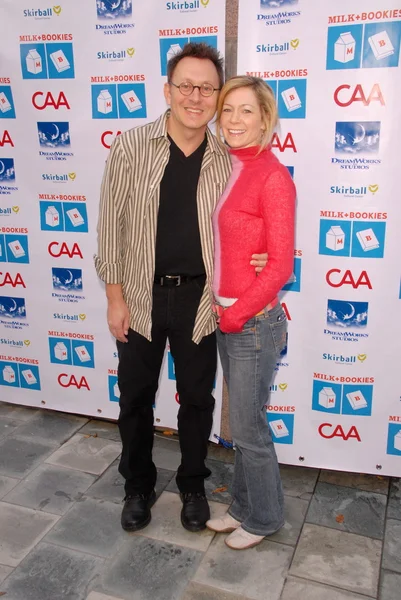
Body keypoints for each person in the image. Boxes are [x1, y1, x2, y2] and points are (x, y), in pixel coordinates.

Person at [94, 44, 266, 534]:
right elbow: (111, 227)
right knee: (135, 397)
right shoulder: (130, 146)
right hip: (141, 295)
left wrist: (261, 255)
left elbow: (249, 221)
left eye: (207, 88)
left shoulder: (229, 158)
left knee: (197, 399)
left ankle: (193, 484)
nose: (196, 96)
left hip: (200, 301)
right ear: (167, 90)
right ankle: (138, 486)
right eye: (186, 86)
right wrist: (115, 297)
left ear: (217, 95)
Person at [205, 76, 296, 550]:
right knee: (241, 421)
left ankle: (264, 518)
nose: (235, 120)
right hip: (230, 316)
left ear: (265, 119)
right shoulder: (228, 166)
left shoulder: (272, 176)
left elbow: (279, 264)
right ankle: (242, 505)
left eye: (246, 111)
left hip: (253, 322)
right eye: (228, 111)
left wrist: (237, 312)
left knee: (249, 425)